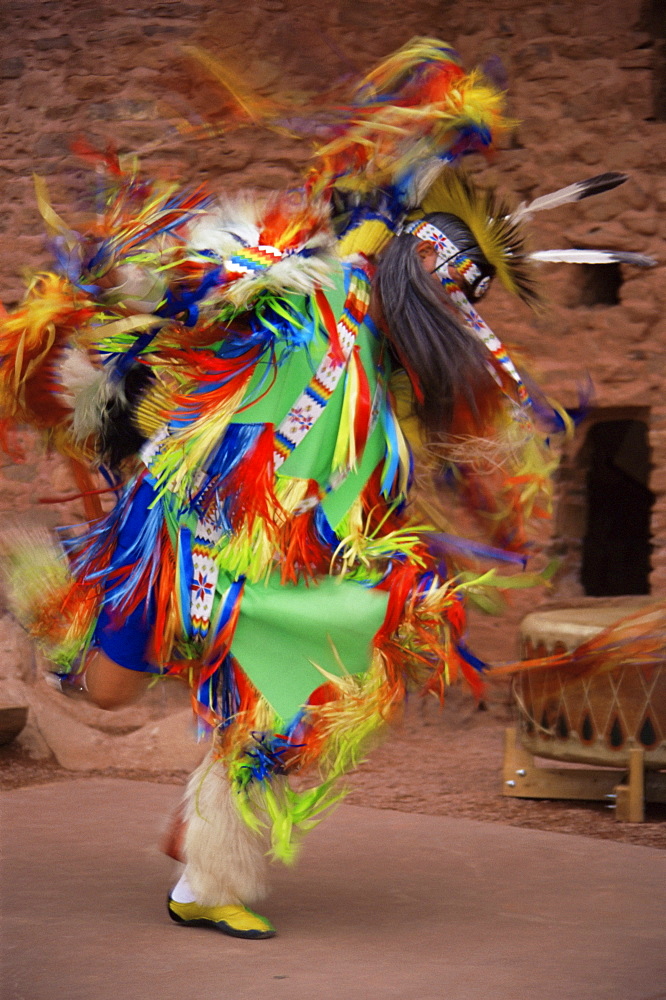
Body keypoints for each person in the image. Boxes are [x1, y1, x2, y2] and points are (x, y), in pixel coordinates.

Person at [0, 38, 651, 940]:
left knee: (299, 691)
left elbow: (359, 492)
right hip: (184, 531)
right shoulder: (304, 296)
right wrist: (135, 297)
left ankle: (206, 874)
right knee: (109, 694)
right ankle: (58, 606)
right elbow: (203, 281)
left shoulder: (384, 392)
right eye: (447, 299)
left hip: (275, 576)